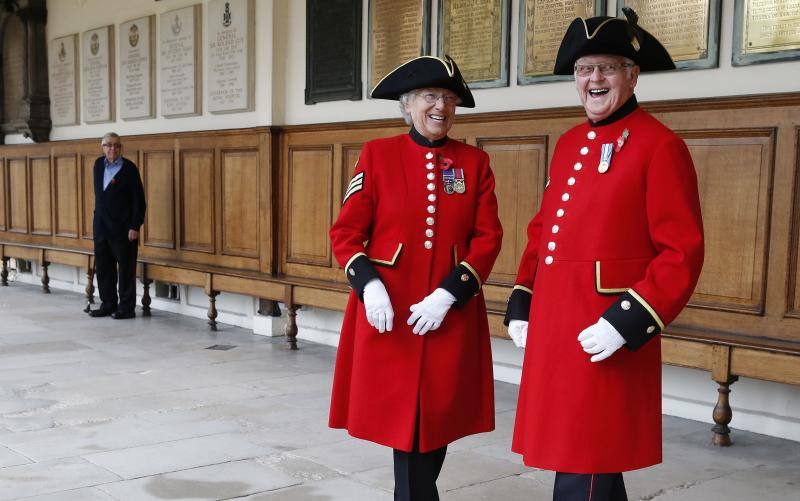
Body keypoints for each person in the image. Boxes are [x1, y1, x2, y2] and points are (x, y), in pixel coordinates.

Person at [505, 9, 704, 501]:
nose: (594, 79)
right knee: (578, 460)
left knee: (587, 463)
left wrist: (627, 320)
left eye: (607, 67)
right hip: (557, 329)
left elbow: (682, 252)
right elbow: (543, 230)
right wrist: (523, 298)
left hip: (606, 331)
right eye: (584, 69)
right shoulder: (571, 142)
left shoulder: (661, 146)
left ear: (632, 76)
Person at [328, 55, 503, 500]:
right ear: (407, 105)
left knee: (436, 419)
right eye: (430, 96)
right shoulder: (377, 154)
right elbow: (346, 232)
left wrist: (449, 294)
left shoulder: (475, 162)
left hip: (448, 313)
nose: (441, 106)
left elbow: (488, 238)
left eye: (449, 98)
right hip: (393, 312)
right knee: (407, 426)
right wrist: (368, 286)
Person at [88, 132, 146, 320]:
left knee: (126, 270)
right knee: (104, 268)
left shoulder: (129, 169)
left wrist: (135, 226)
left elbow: (139, 201)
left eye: (116, 145)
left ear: (121, 148)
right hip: (101, 227)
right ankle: (108, 304)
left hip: (123, 229)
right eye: (108, 145)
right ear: (102, 147)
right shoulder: (98, 165)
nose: (112, 148)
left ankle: (126, 308)